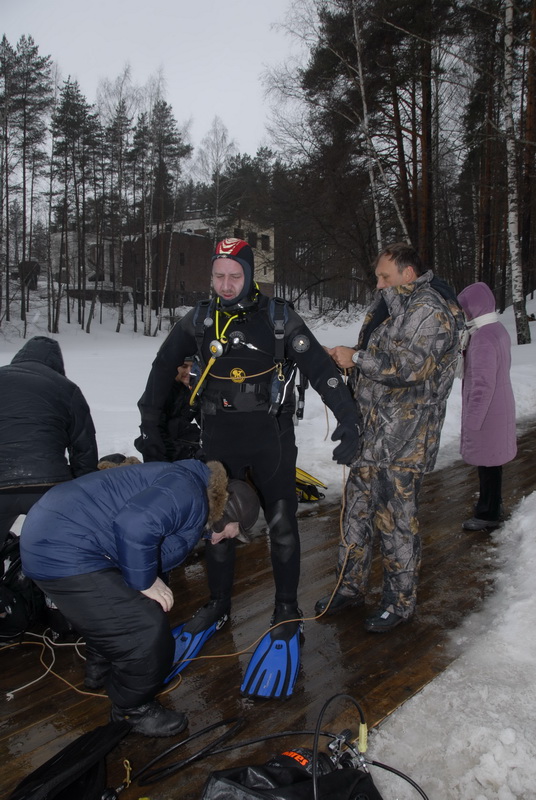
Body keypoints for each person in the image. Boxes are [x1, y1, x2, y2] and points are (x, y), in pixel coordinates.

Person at [137, 237, 360, 695]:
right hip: (219, 437)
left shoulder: (278, 318)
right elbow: (160, 371)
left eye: (234, 276)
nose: (226, 285)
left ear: (250, 275)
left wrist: (349, 418)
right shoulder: (199, 319)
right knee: (218, 524)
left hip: (270, 438)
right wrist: (150, 427)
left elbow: (321, 370)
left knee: (282, 522)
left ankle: (285, 608)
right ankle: (219, 605)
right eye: (218, 276)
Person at [19, 459, 260, 737]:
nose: (225, 539)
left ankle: (101, 667)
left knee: (124, 609)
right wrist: (144, 581)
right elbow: (134, 524)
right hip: (64, 545)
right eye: (232, 533)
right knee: (146, 630)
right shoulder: (190, 493)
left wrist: (146, 583)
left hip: (59, 535)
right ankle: (132, 710)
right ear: (228, 515)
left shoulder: (192, 488)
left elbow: (146, 545)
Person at [315, 242, 464, 632]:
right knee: (355, 514)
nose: (379, 283)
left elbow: (412, 368)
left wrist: (357, 358)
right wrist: (349, 361)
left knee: (395, 522)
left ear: (407, 273)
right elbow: (379, 354)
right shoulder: (392, 307)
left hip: (404, 441)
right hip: (372, 433)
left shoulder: (429, 310)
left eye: (385, 276)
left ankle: (399, 603)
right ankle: (349, 588)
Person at [0, 336, 98, 550]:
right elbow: (84, 447)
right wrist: (85, 489)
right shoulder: (65, 387)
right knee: (55, 551)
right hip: (48, 485)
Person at [457, 282, 516, 530]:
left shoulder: (482, 337)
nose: (465, 313)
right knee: (493, 461)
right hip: (499, 404)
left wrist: (473, 420)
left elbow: (483, 383)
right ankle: (492, 504)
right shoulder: (496, 329)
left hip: (487, 412)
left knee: (488, 463)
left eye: (466, 309)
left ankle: (487, 514)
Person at [134, 359, 200, 462]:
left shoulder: (191, 391)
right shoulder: (161, 391)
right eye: (184, 367)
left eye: (193, 367)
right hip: (161, 448)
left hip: (180, 444)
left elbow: (205, 420)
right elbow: (152, 427)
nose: (189, 371)